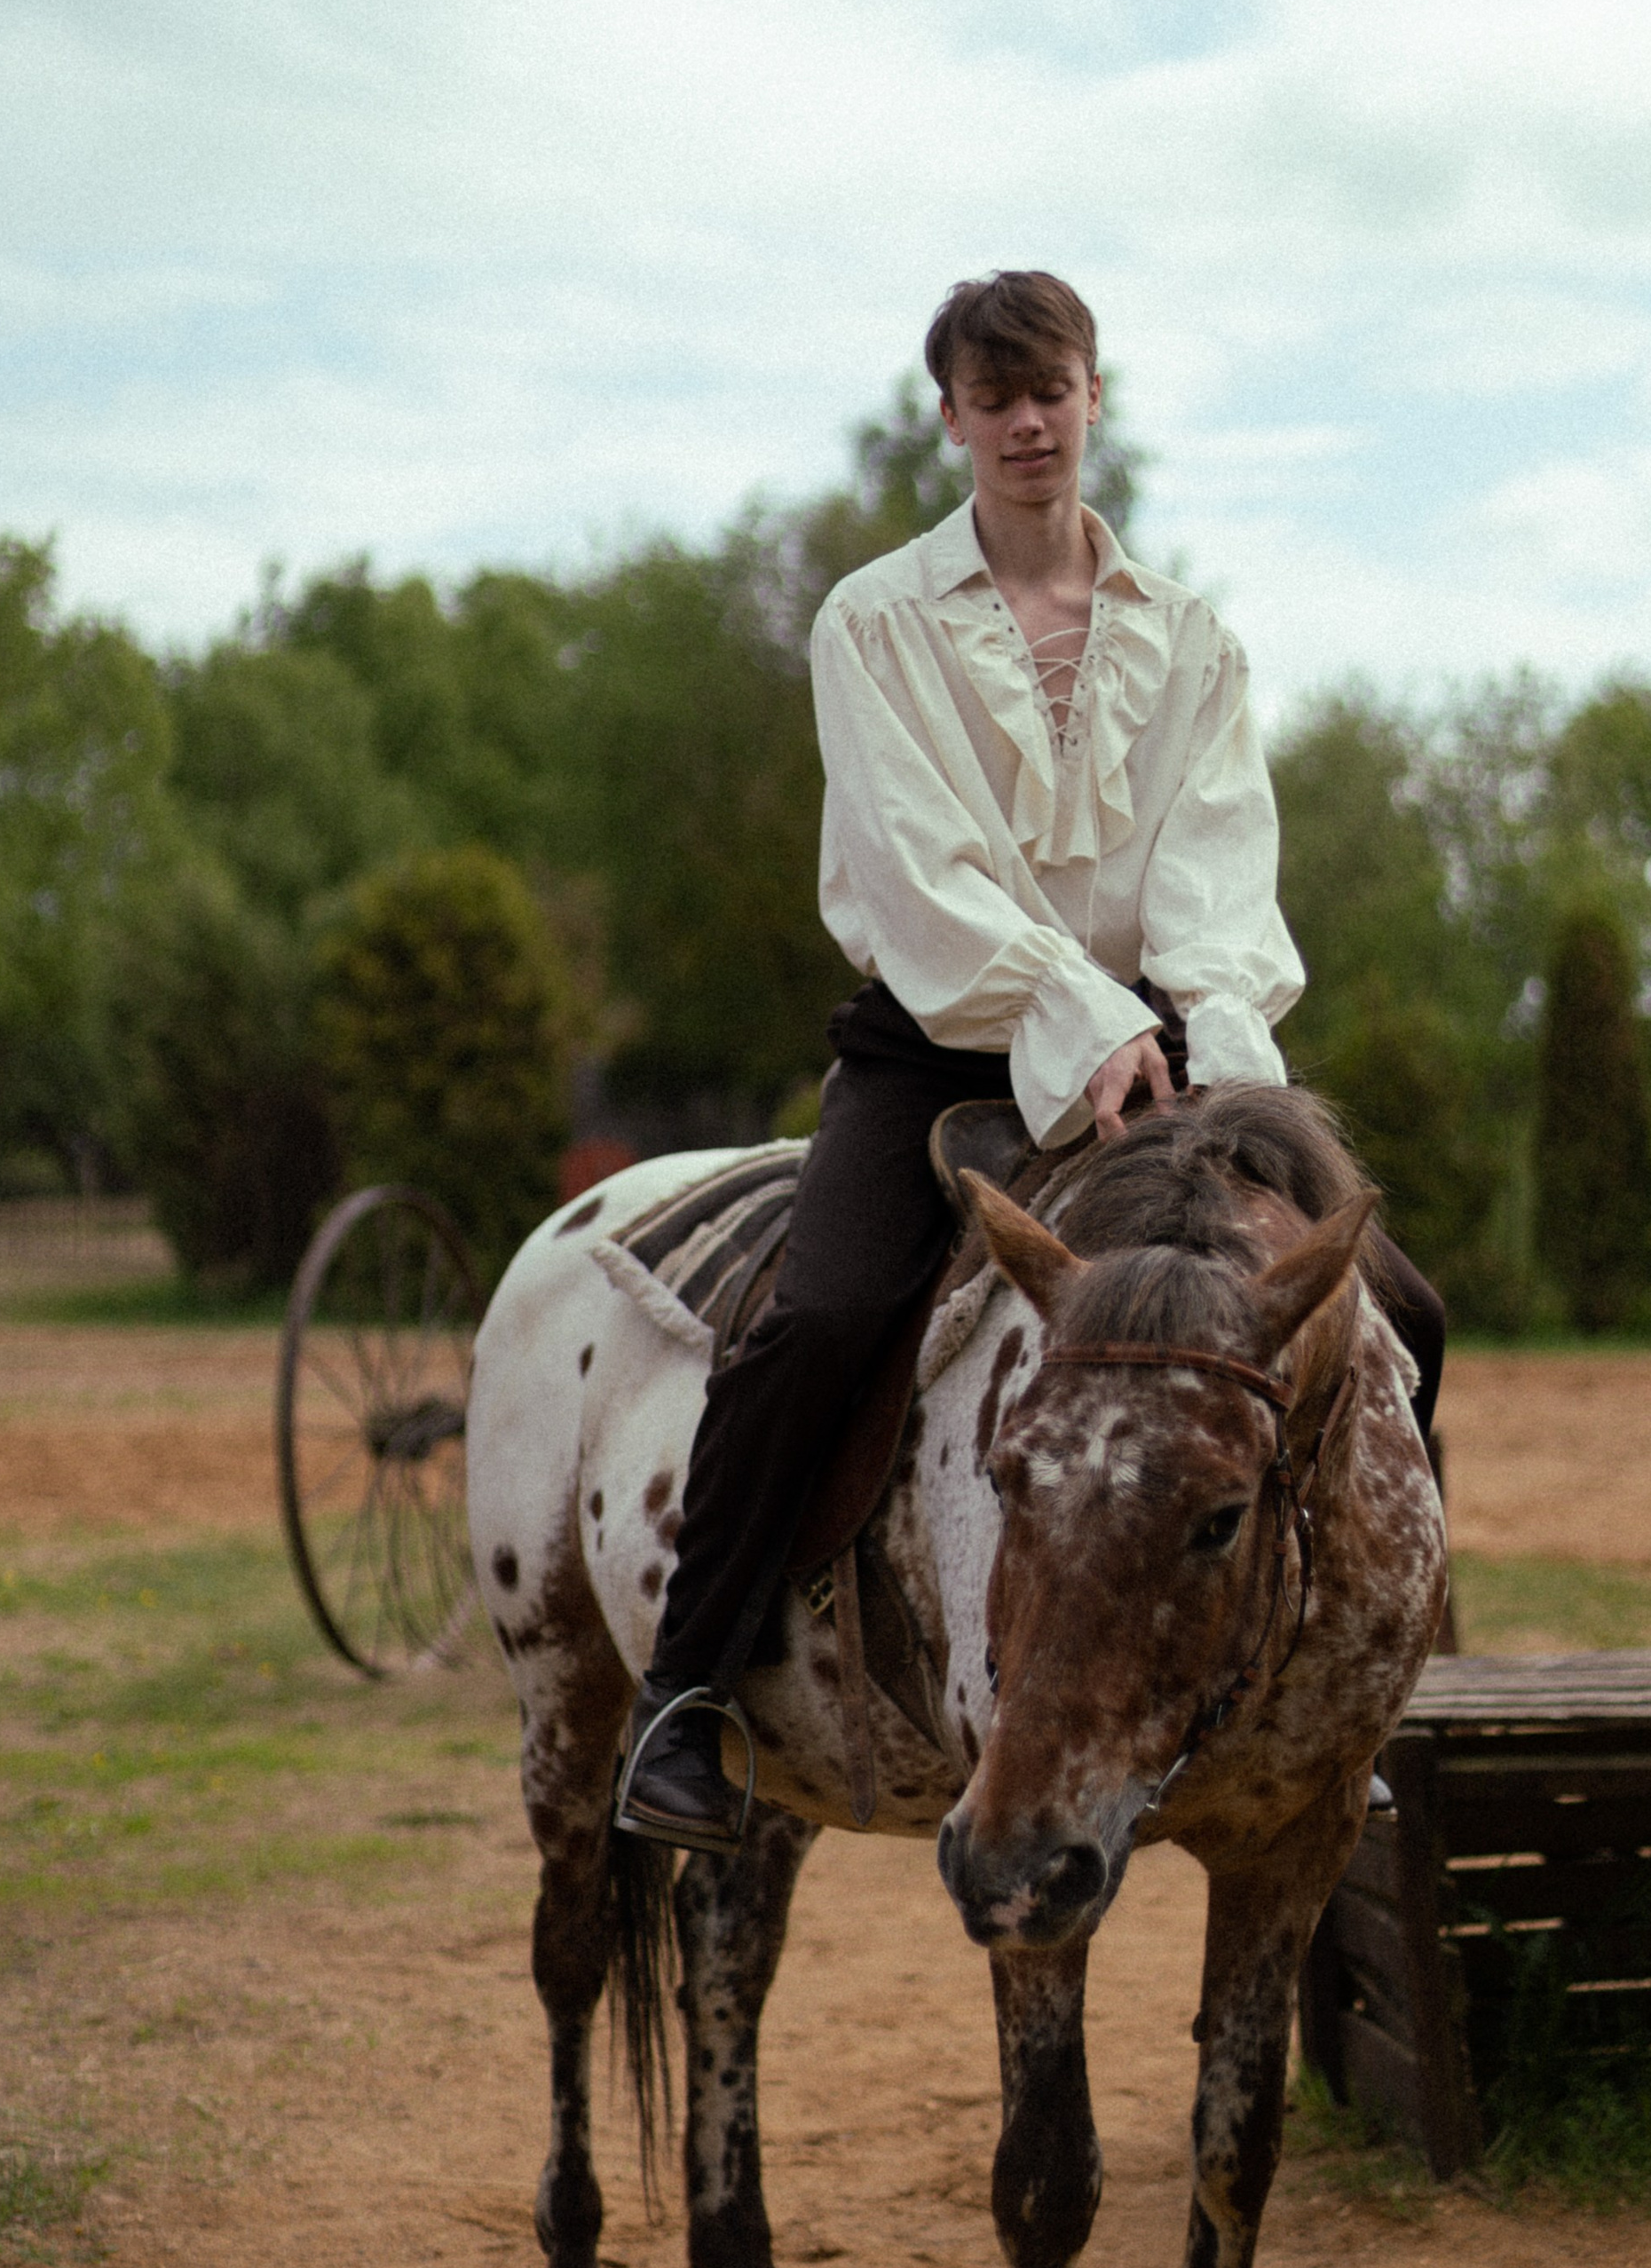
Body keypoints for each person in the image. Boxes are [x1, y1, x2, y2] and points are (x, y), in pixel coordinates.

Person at [616, 270, 1442, 1853]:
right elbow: (923, 877)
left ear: (1093, 396)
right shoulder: (873, 621)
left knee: (1393, 1310)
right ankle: (685, 1693)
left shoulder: (1188, 639)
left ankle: (1343, 1686)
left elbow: (1216, 875)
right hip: (941, 1048)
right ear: (952, 422)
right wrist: (1083, 1018)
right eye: (993, 399)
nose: (1027, 422)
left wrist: (1230, 1077)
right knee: (825, 1319)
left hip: (1172, 1056)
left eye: (1049, 388)